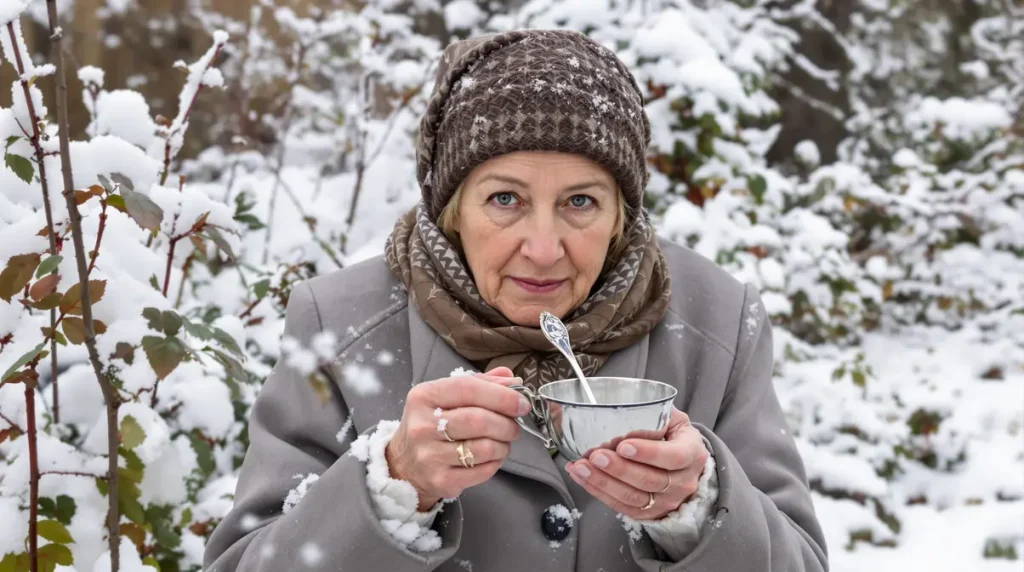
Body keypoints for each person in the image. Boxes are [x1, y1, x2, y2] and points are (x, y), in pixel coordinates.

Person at [203, 29, 828, 572]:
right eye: (505, 199)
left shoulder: (718, 325)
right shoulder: (341, 326)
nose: (543, 248)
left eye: (580, 202)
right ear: (451, 210)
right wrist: (392, 484)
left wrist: (700, 505)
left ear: (621, 215)